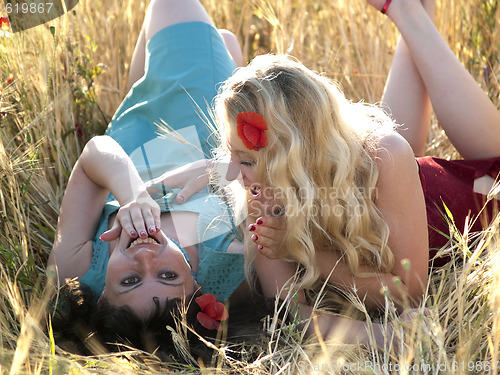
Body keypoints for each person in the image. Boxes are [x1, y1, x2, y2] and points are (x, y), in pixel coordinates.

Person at [210, 0, 500, 319]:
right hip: (398, 186)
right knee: (394, 146)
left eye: (247, 161)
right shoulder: (259, 196)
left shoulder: (384, 156)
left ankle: (408, 12)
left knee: (398, 148)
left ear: (293, 157)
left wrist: (310, 256)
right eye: (232, 154)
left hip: (480, 189)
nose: (232, 173)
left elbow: (410, 293)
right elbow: (288, 312)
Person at [47, 0, 265, 359]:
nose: (146, 258)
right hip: (209, 134)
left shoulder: (75, 275)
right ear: (198, 288)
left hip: (132, 148)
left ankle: (165, 76)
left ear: (102, 297)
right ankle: (198, 64)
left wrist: (133, 195)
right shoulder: (233, 274)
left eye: (129, 280)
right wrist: (226, 169)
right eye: (168, 276)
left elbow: (94, 155)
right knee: (218, 50)